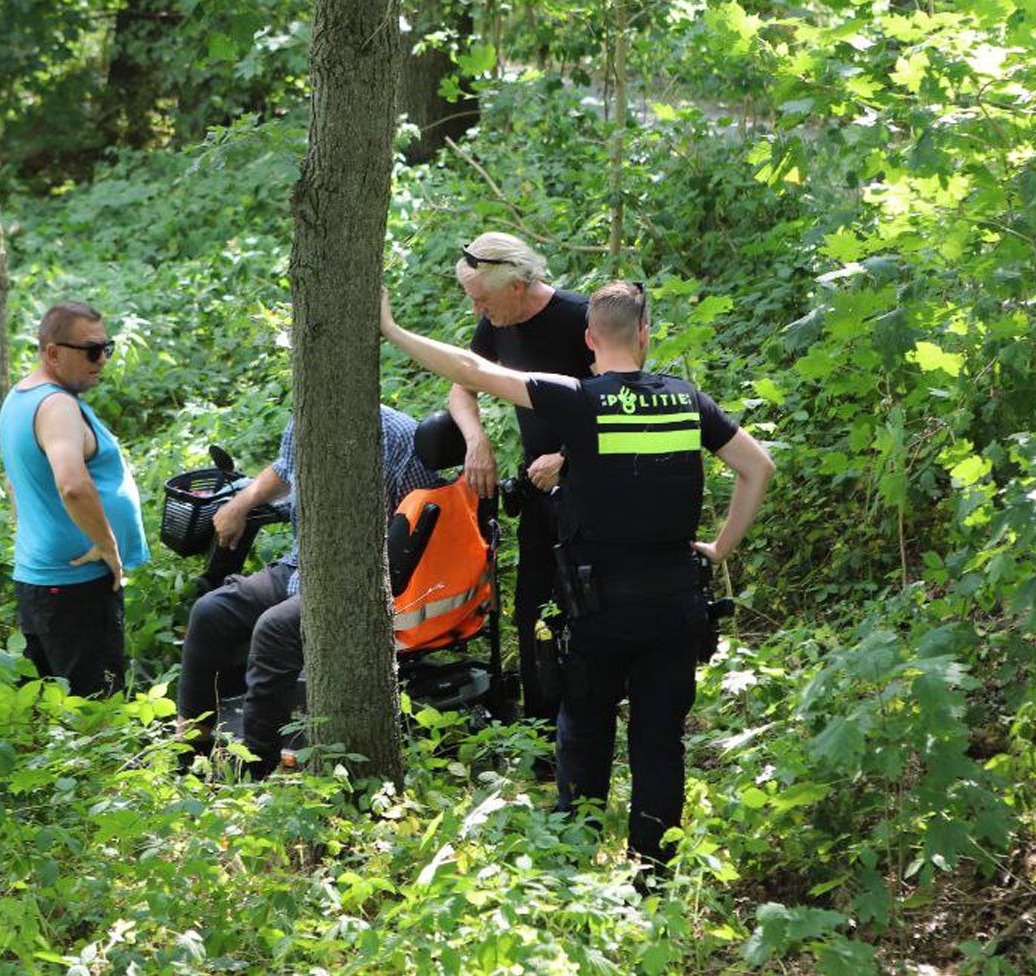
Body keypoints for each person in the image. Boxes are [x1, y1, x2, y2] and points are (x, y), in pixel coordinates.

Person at [381, 281, 775, 875]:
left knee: (585, 734)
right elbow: (757, 467)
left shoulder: (580, 401)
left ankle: (574, 874)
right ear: (645, 334)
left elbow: (471, 369)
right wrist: (719, 548)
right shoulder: (689, 402)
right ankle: (652, 881)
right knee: (659, 744)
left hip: (598, 612)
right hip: (675, 606)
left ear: (590, 340)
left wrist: (391, 327)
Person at [177, 406, 443, 777]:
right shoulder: (307, 411)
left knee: (274, 628)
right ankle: (191, 749)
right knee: (211, 612)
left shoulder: (397, 435)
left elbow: (423, 516)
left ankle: (255, 768)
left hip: (360, 576)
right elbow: (285, 470)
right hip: (302, 562)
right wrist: (241, 503)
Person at [447, 232, 596, 745]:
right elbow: (460, 386)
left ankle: (587, 729)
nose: (476, 309)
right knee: (530, 610)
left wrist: (570, 458)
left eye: (482, 299)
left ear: (517, 284)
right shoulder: (495, 323)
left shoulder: (581, 319)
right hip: (536, 491)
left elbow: (620, 401)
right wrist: (476, 440)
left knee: (587, 609)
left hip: (591, 491)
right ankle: (540, 741)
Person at [0, 301, 150, 696]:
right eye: (91, 350)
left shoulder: (20, 398)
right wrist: (107, 544)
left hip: (41, 583)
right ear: (53, 352)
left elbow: (16, 483)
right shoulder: (56, 407)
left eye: (107, 348)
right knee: (98, 709)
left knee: (58, 708)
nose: (102, 360)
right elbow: (72, 484)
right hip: (74, 588)